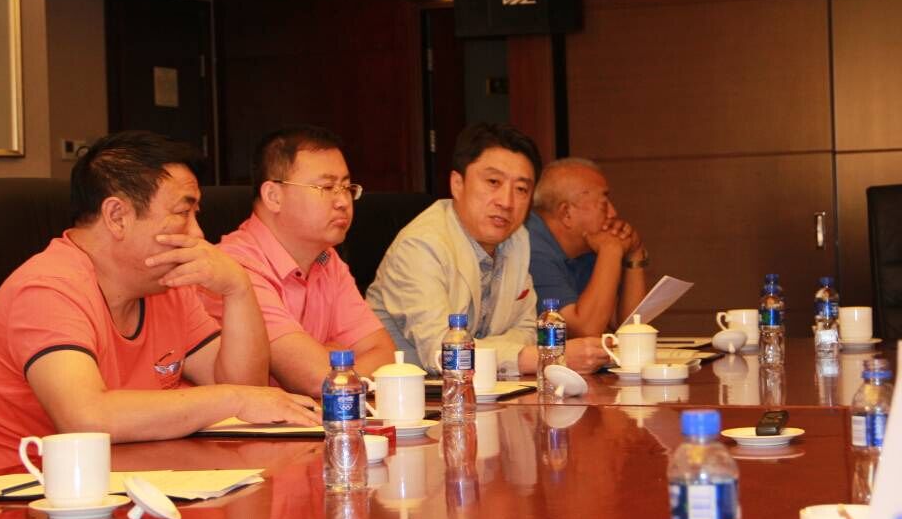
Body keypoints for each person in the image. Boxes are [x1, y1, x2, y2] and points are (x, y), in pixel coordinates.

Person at [0, 131, 318, 484]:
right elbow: (86, 417)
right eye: (183, 213)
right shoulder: (47, 288)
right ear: (117, 216)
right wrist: (234, 399)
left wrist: (237, 289)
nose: (198, 233)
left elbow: (243, 388)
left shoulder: (167, 284)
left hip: (104, 487)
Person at [366, 123, 610, 377]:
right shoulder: (420, 246)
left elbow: (527, 330)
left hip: (489, 389)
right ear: (457, 184)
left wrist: (486, 350)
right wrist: (546, 357)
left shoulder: (516, 239)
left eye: (521, 189)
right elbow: (444, 353)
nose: (506, 202)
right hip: (412, 395)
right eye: (493, 182)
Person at [203, 126, 395, 398]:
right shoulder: (235, 267)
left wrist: (330, 362)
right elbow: (317, 379)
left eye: (347, 187)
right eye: (327, 187)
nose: (343, 201)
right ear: (273, 196)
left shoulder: (327, 259)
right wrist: (332, 354)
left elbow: (385, 356)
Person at [527, 158, 649, 337]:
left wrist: (634, 254)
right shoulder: (530, 248)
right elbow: (584, 329)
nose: (613, 213)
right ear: (566, 213)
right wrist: (610, 250)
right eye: (604, 204)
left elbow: (630, 327)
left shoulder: (585, 249)